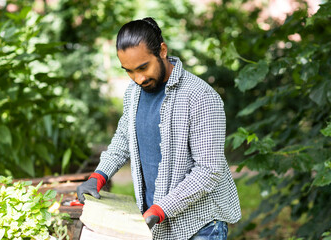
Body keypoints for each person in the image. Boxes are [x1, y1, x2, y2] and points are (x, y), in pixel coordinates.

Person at [77, 17, 241, 240]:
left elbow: (208, 171)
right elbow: (124, 139)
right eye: (129, 71)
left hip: (201, 226)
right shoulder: (133, 93)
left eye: (143, 67)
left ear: (162, 50)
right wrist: (99, 175)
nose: (138, 78)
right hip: (157, 221)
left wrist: (160, 209)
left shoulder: (200, 97)